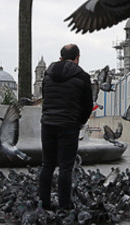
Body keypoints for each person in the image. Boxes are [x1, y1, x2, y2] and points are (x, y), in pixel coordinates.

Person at [38, 43, 94, 211]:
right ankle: (64, 206)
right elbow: (88, 104)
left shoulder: (47, 74)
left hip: (47, 124)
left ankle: (44, 203)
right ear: (77, 58)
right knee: (66, 167)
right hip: (69, 125)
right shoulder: (82, 76)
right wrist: (80, 122)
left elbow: (45, 97)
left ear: (60, 57)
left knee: (47, 164)